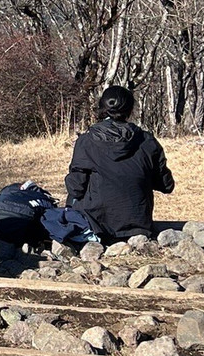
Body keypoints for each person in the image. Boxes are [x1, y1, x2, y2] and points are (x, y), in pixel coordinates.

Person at [65, 85, 175, 242]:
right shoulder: (147, 141)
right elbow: (166, 185)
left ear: (102, 108)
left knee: (74, 193)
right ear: (130, 110)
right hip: (139, 225)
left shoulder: (87, 141)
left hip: (97, 226)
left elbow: (76, 188)